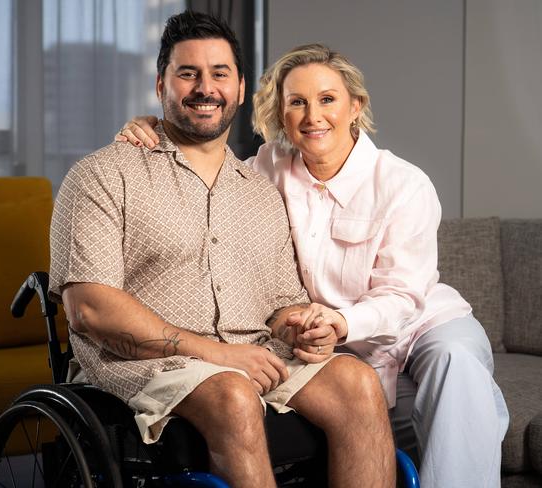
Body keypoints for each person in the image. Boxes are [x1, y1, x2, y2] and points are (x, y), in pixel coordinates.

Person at [116, 43, 510, 487]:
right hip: (329, 345)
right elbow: (206, 170)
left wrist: (342, 322)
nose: (312, 116)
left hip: (420, 324)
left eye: (327, 99)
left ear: (355, 106)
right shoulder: (267, 168)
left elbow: (403, 296)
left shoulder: (404, 184)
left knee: (456, 368)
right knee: (366, 423)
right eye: (297, 103)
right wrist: (157, 129)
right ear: (280, 114)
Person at [49, 12, 396, 488]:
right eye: (187, 73)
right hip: (142, 364)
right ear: (160, 84)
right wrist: (219, 355)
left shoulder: (259, 189)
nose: (204, 87)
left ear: (239, 88)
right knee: (233, 392)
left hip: (253, 351)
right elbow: (89, 309)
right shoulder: (104, 175)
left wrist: (301, 325)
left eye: (219, 74)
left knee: (358, 382)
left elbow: (279, 301)